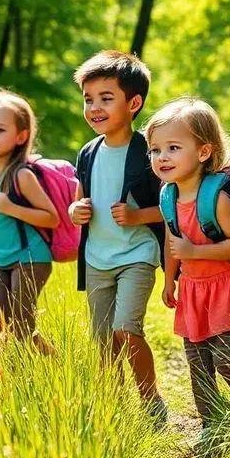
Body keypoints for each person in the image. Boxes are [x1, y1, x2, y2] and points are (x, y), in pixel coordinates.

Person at [146, 97, 230, 445]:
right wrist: (169, 279)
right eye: (155, 149)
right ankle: (211, 426)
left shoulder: (216, 198)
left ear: (204, 151)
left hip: (225, 287)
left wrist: (196, 250)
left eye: (173, 148)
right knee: (197, 362)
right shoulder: (167, 197)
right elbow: (170, 239)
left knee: (227, 359)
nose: (161, 157)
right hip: (193, 288)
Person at [68, 50, 168, 423]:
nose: (95, 107)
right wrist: (74, 211)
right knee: (102, 341)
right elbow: (80, 201)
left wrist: (138, 215)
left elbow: (173, 207)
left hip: (137, 254)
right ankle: (113, 408)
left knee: (126, 329)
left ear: (134, 102)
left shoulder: (148, 150)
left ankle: (151, 401)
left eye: (106, 99)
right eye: (89, 99)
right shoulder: (88, 152)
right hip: (96, 258)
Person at [0, 89, 58, 352]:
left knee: (21, 329)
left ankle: (34, 372)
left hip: (30, 259)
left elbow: (51, 218)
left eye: (0, 130)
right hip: (1, 261)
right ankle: (44, 360)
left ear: (21, 136)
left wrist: (11, 207)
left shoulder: (22, 176)